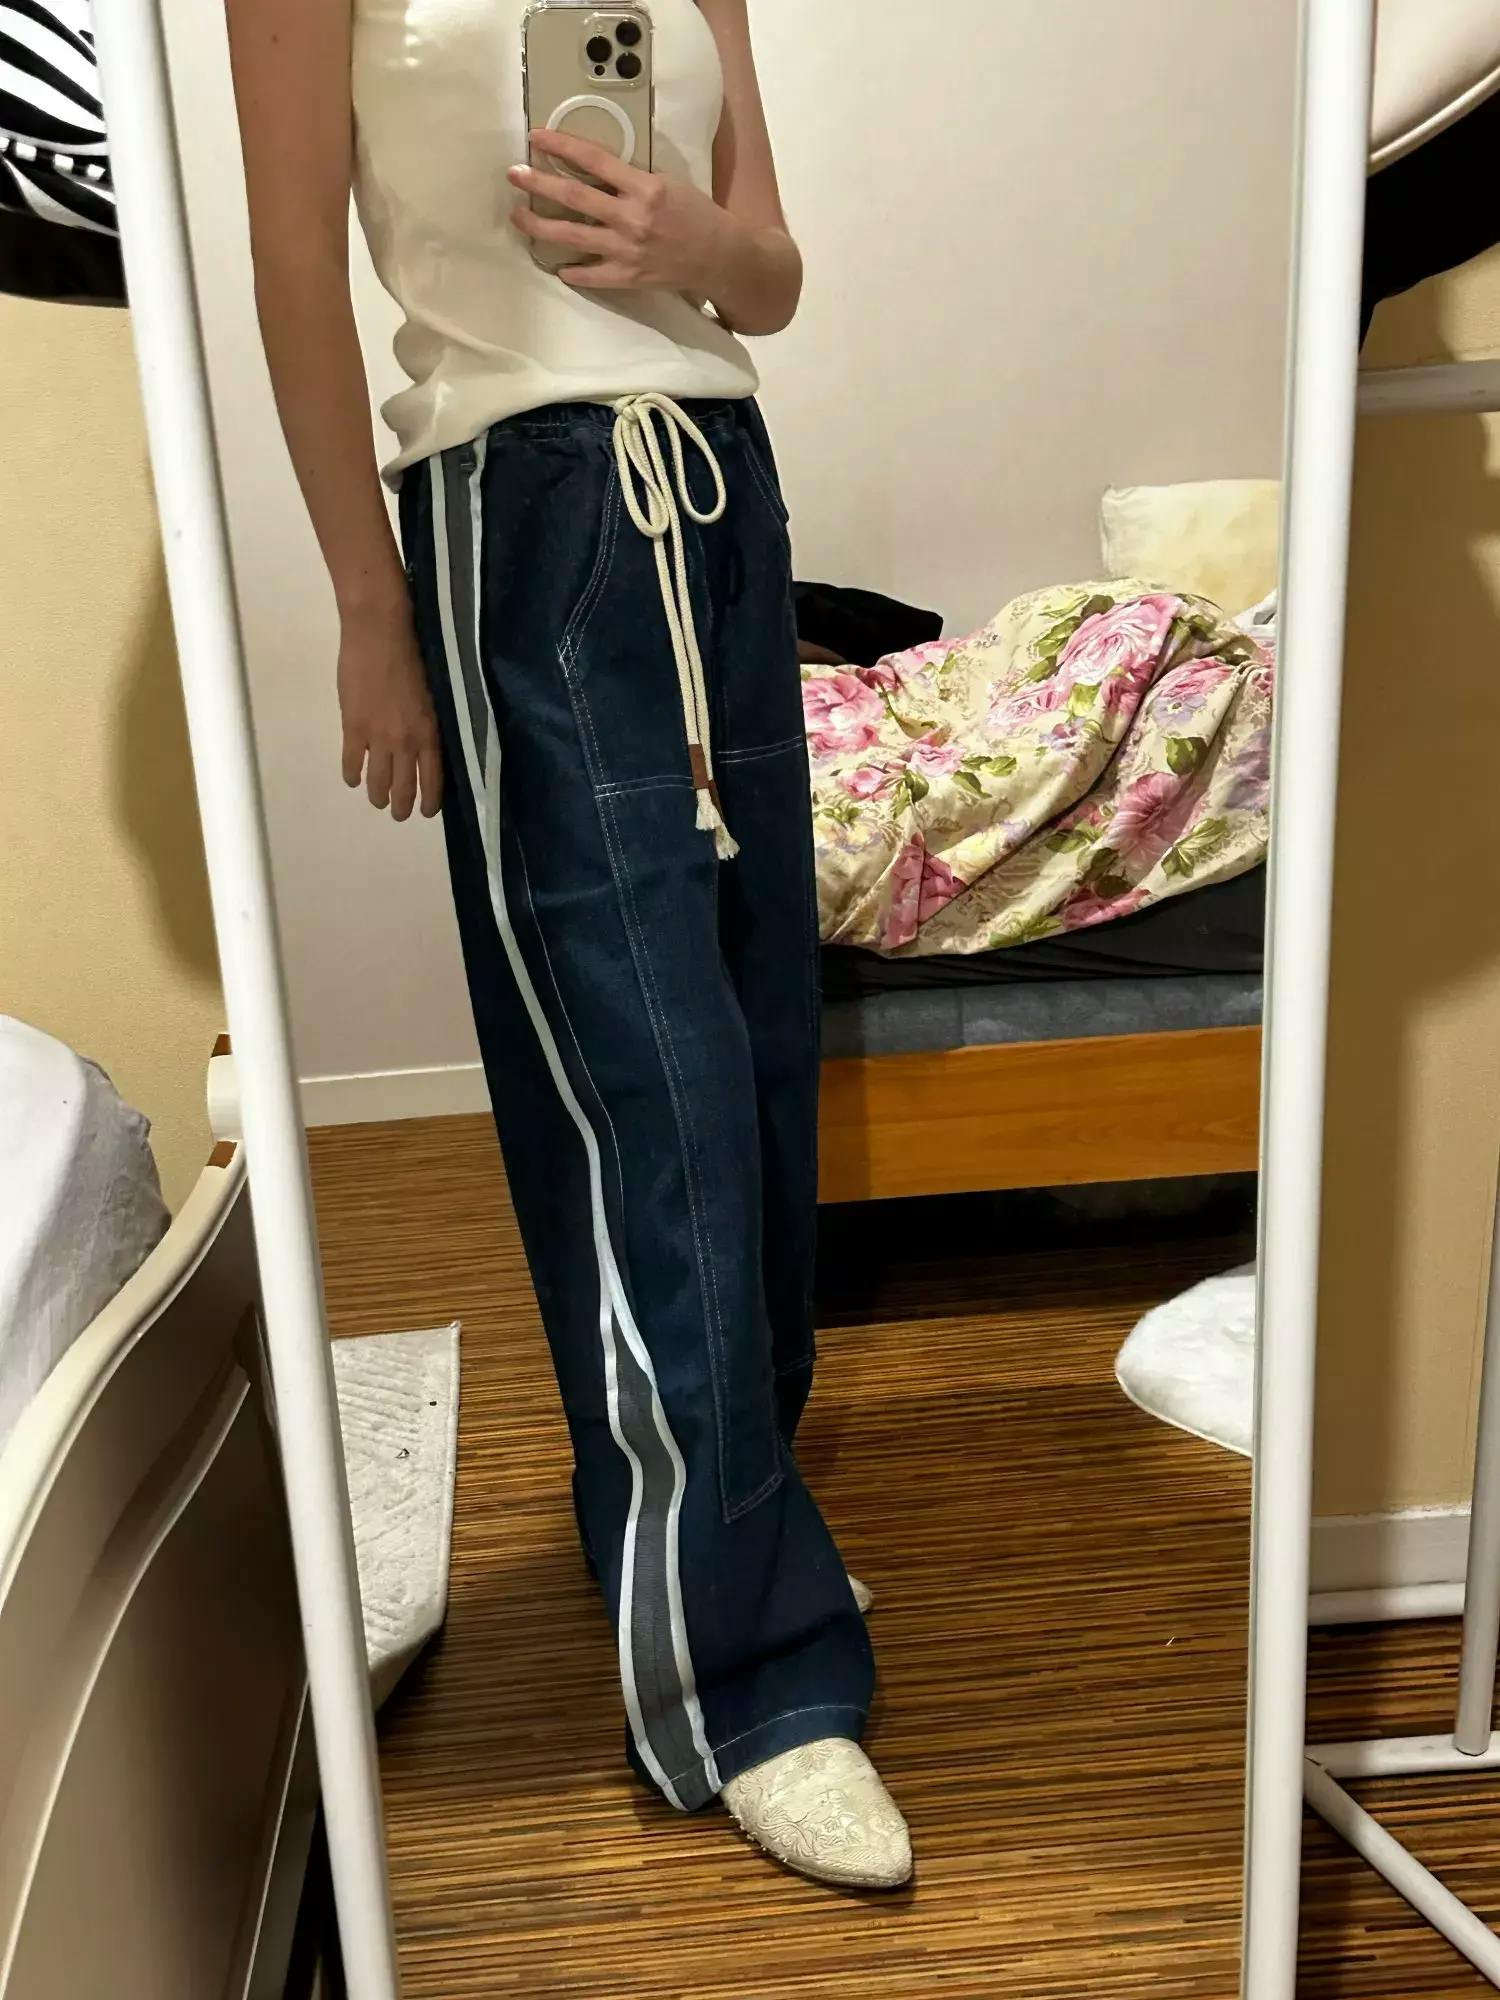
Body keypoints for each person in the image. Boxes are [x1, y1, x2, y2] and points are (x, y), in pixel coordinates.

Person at [226, 0, 911, 1889]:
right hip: (517, 509)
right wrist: (369, 608)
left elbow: (771, 277)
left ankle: (727, 1531)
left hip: (722, 488)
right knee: (641, 1086)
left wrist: (698, 242)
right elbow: (291, 272)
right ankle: (743, 1686)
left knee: (757, 1056)